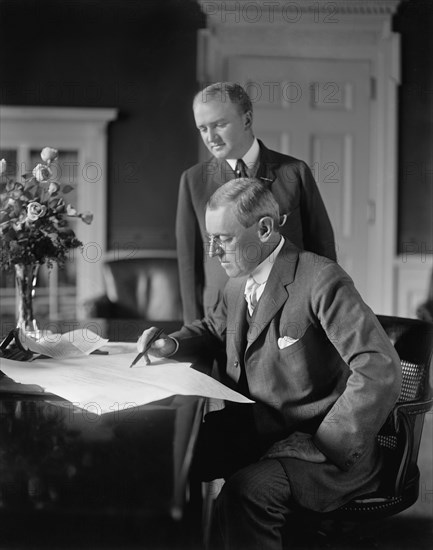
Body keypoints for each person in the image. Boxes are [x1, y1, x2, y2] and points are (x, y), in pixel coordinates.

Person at [139, 178, 401, 550]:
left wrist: (325, 444)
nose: (212, 251)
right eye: (209, 238)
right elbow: (213, 330)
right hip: (257, 431)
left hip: (321, 445)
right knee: (168, 461)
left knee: (248, 492)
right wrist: (170, 344)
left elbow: (379, 365)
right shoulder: (237, 283)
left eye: (223, 239)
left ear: (264, 228)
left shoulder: (321, 279)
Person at [176, 81, 337, 324]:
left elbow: (322, 249)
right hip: (221, 319)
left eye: (219, 124)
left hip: (289, 312)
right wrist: (193, 331)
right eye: (203, 128)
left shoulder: (294, 172)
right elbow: (189, 267)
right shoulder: (193, 182)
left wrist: (325, 315)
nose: (211, 138)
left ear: (247, 120)